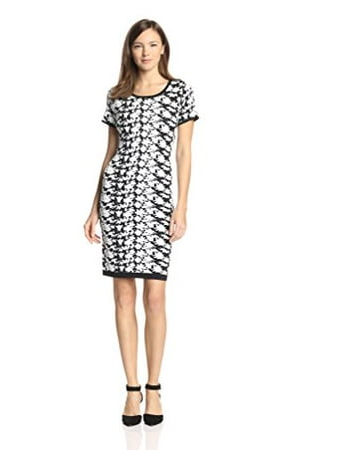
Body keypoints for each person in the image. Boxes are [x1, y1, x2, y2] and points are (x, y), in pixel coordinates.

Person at [83, 18, 199, 426]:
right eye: (138, 45)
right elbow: (109, 154)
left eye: (152, 44)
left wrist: (181, 207)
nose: (145, 52)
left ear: (163, 48)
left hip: (156, 201)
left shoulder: (180, 92)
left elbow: (184, 153)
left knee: (155, 297)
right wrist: (94, 207)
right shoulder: (117, 96)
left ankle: (154, 388)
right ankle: (131, 389)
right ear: (129, 51)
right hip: (118, 201)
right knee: (123, 297)